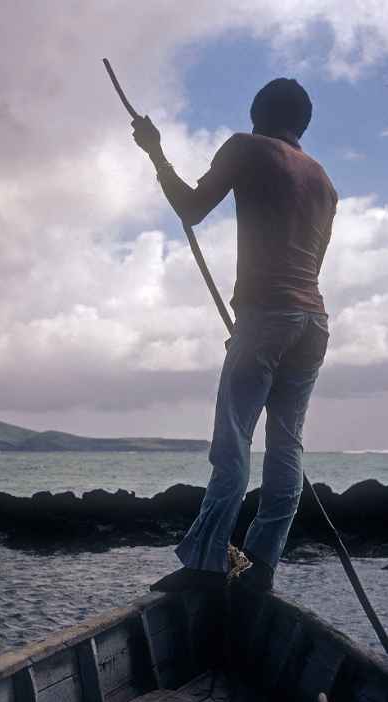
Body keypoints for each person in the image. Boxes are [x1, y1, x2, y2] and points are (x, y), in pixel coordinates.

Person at [132, 78, 337, 592]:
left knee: (233, 443)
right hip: (313, 322)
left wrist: (156, 153)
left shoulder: (247, 147)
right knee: (286, 447)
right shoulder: (325, 182)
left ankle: (205, 564)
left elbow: (191, 208)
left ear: (257, 113)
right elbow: (310, 264)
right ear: (303, 124)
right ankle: (260, 567)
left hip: (267, 317)